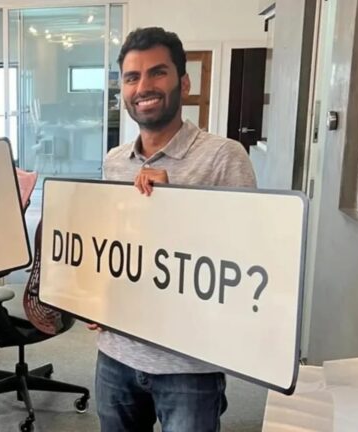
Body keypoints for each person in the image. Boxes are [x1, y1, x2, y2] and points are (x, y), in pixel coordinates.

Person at [95, 27, 257, 432]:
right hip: (117, 350)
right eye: (132, 77)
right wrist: (93, 298)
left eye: (157, 72)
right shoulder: (114, 160)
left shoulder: (224, 157)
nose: (143, 87)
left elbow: (247, 256)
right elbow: (109, 243)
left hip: (189, 361)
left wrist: (178, 206)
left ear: (183, 83)